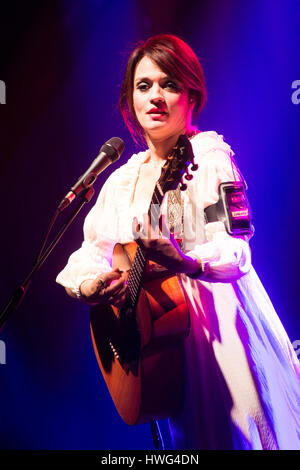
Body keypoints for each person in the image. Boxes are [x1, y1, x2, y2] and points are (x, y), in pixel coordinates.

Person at [56, 34, 300, 450]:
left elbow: (237, 251)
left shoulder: (209, 156)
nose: (155, 96)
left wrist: (185, 261)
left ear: (192, 96)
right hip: (160, 348)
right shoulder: (122, 179)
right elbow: (87, 254)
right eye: (144, 85)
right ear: (129, 98)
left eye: (169, 84)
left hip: (221, 335)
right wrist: (93, 285)